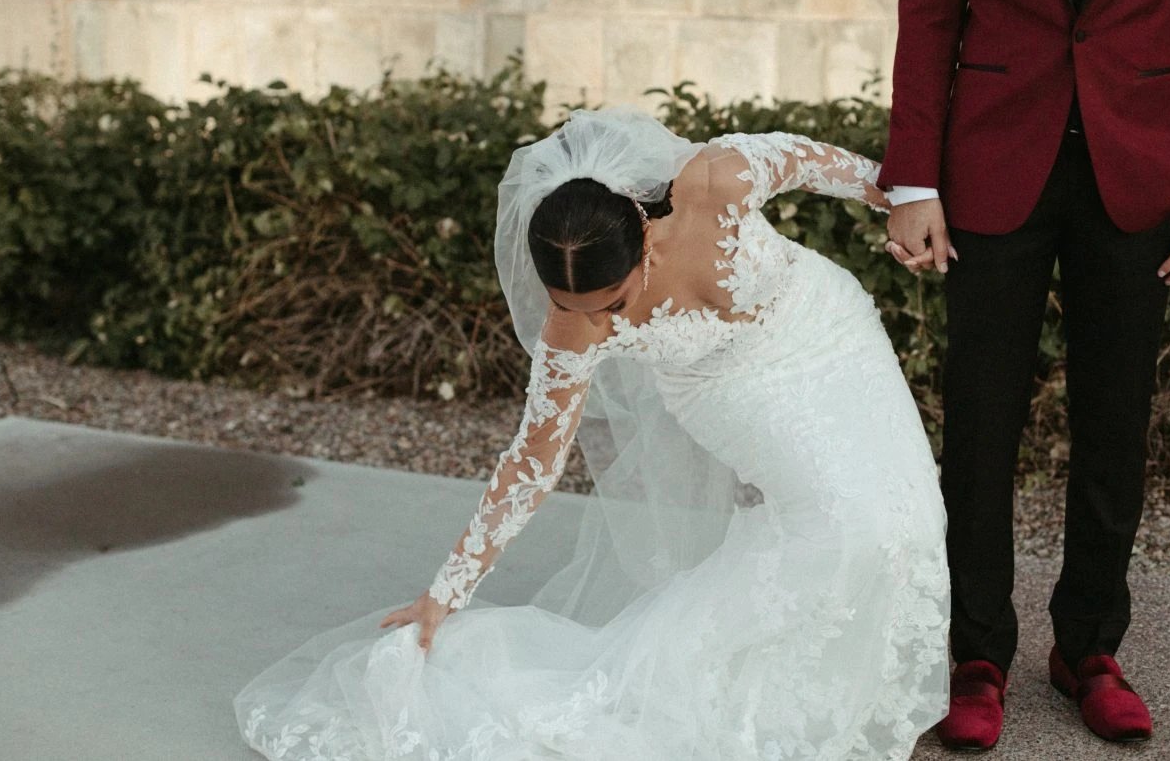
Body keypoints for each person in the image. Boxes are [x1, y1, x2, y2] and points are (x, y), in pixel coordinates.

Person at [235, 108, 950, 760]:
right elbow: (534, 460)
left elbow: (832, 166)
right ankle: (777, 689)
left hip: (823, 331)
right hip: (728, 393)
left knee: (909, 516)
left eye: (613, 303)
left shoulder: (719, 178)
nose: (600, 326)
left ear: (644, 236)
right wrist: (444, 591)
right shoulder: (571, 325)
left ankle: (846, 672)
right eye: (577, 308)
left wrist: (909, 205)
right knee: (845, 522)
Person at [878, 0, 1170, 750]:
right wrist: (913, 179)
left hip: (1141, 166)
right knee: (978, 419)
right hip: (995, 157)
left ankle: (1089, 647)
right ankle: (977, 655)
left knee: (1115, 420)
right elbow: (928, 2)